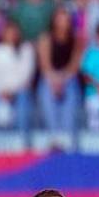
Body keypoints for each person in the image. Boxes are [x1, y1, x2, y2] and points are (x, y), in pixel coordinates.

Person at [36, 7, 82, 139]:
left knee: (72, 90)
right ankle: (53, 135)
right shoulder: (46, 38)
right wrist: (54, 80)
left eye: (65, 18)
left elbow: (74, 65)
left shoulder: (76, 39)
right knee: (46, 91)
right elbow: (45, 65)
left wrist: (63, 79)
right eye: (60, 18)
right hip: (49, 76)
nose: (63, 22)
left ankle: (66, 136)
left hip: (68, 77)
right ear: (54, 20)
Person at [0, 21, 35, 132]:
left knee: (23, 101)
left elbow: (26, 74)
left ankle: (22, 140)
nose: (12, 35)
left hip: (20, 92)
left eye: (14, 32)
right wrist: (1, 92)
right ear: (3, 33)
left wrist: (11, 91)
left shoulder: (26, 49)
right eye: (9, 32)